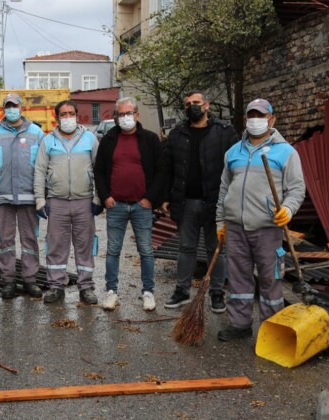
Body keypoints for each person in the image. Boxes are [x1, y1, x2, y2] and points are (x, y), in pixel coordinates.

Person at [215, 98, 306, 341]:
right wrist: (220, 223)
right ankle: (240, 324)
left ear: (271, 119)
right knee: (237, 278)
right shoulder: (233, 152)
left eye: (261, 115)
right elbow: (224, 190)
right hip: (235, 228)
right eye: (251, 115)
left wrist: (287, 209)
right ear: (246, 119)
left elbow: (296, 189)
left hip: (267, 228)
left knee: (270, 279)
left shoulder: (286, 152)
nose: (256, 120)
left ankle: (271, 327)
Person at [161, 90, 238, 312]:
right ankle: (182, 291)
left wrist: (231, 199)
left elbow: (235, 168)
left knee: (216, 249)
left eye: (196, 102)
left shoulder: (224, 132)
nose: (191, 107)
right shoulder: (177, 134)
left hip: (215, 202)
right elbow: (168, 169)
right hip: (186, 202)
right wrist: (166, 197)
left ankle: (216, 293)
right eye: (187, 104)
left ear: (206, 105)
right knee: (186, 247)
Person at [93, 97, 166, 311]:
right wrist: (105, 196)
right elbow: (99, 171)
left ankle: (148, 292)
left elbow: (161, 171)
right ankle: (111, 292)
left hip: (141, 206)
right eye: (121, 114)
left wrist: (149, 199)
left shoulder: (150, 140)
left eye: (129, 113)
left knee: (145, 250)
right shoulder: (108, 140)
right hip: (116, 205)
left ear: (137, 115)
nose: (125, 118)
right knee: (113, 250)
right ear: (115, 117)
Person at [34, 100, 102, 305]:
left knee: (85, 246)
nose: (67, 117)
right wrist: (39, 200)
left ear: (77, 115)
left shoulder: (90, 139)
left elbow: (99, 170)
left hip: (84, 202)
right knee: (56, 246)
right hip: (57, 202)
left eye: (71, 113)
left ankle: (86, 287)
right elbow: (39, 171)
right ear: (57, 117)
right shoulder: (48, 141)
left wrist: (98, 197)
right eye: (63, 114)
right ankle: (56, 286)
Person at [0, 93, 45, 299]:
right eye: (7, 106)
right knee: (4, 240)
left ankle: (30, 279)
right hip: (2, 197)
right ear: (3, 109)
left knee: (30, 239)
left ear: (21, 107)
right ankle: (7, 280)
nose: (11, 109)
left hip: (29, 196)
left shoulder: (37, 133)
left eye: (14, 105)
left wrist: (43, 197)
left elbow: (44, 167)